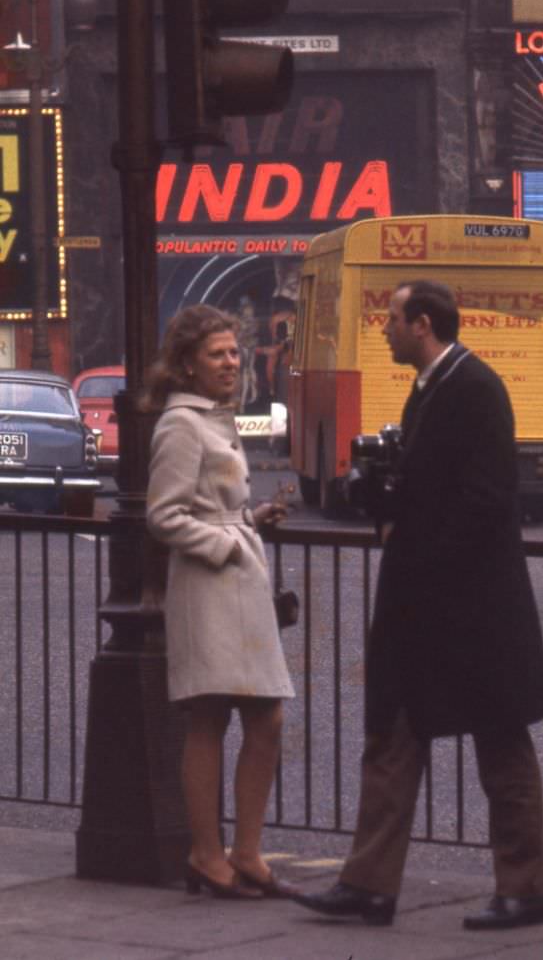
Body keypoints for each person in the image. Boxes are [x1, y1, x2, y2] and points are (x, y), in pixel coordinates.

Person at [293, 280, 543, 931]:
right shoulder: (431, 387)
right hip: (429, 604)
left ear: (424, 325)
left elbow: (486, 498)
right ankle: (368, 884)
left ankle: (524, 889)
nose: (383, 329)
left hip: (473, 606)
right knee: (393, 735)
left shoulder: (475, 388)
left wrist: (413, 539)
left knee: (501, 740)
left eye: (392, 319)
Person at [143, 304, 296, 900]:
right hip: (211, 590)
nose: (231, 363)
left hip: (235, 586)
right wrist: (228, 545)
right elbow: (164, 516)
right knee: (218, 717)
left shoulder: (215, 417)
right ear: (188, 364)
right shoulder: (182, 424)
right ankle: (212, 855)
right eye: (217, 354)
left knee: (262, 717)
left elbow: (207, 505)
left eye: (234, 352)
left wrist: (250, 520)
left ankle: (244, 853)